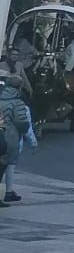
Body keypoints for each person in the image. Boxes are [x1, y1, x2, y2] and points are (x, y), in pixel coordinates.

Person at [0, 57, 32, 204]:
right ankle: (7, 193)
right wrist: (26, 132)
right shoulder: (17, 102)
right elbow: (22, 122)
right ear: (19, 88)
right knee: (8, 165)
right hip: (10, 137)